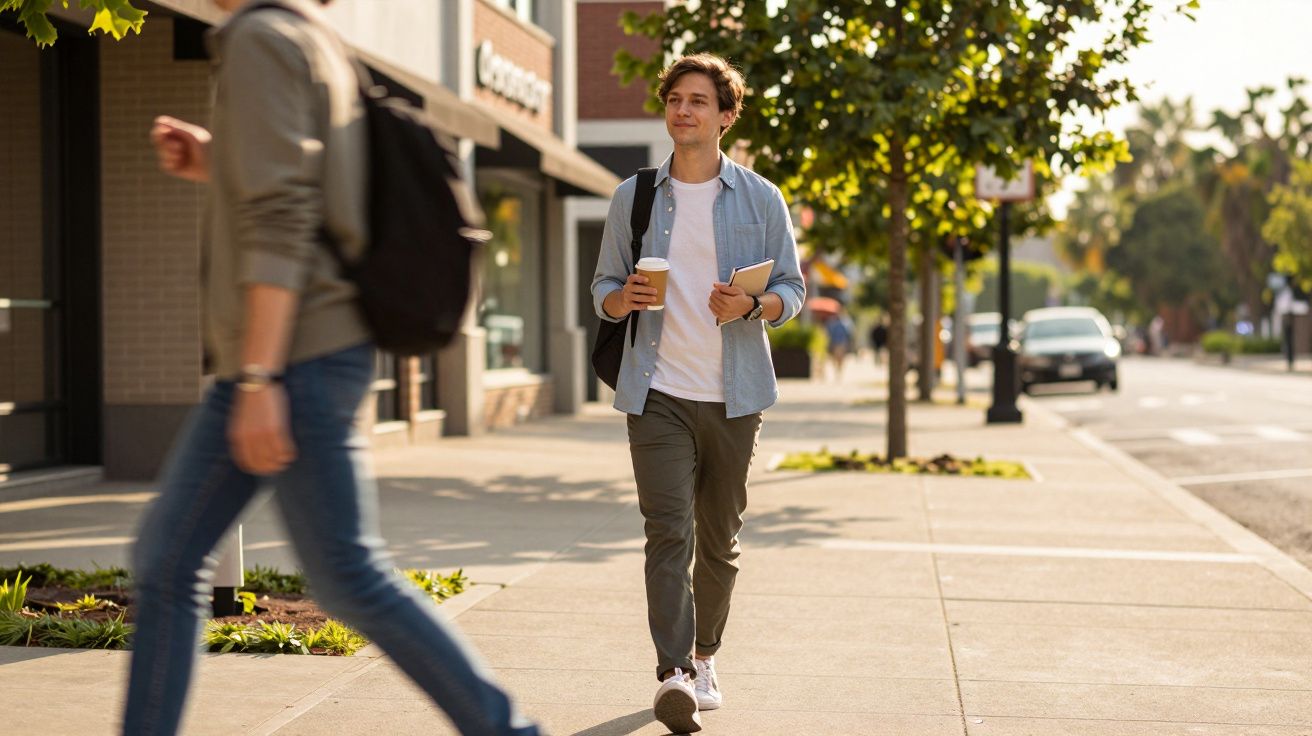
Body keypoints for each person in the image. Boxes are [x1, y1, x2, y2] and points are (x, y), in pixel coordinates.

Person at [126, 2, 538, 734]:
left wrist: (256, 379)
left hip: (291, 359)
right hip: (307, 354)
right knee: (169, 562)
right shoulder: (314, 40)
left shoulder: (262, 39)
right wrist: (218, 159)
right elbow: (307, 185)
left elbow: (284, 216)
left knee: (345, 574)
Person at [590, 53, 805, 734]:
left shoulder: (761, 198)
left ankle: (706, 655)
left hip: (735, 394)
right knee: (667, 533)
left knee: (719, 539)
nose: (684, 110)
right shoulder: (636, 197)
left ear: (727, 115)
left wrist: (751, 305)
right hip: (656, 391)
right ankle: (674, 672)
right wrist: (623, 298)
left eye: (699, 101)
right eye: (675, 99)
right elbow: (601, 290)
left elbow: (793, 292)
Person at [824, 311, 854, 381]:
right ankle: (838, 370)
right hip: (839, 343)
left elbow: (829, 334)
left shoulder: (838, 324)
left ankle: (838, 370)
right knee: (838, 358)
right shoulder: (843, 324)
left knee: (838, 358)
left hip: (839, 343)